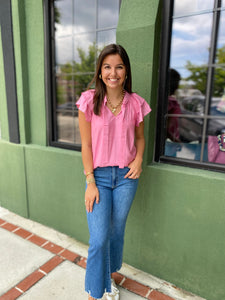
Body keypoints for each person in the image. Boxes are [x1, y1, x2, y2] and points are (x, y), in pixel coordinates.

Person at [76, 44, 151, 300]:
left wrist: (139, 159)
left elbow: (140, 138)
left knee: (116, 230)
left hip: (126, 178)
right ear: (99, 72)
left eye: (119, 66)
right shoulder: (88, 101)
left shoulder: (136, 103)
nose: (113, 72)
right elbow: (85, 145)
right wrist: (90, 182)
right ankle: (95, 294)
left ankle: (107, 278)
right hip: (97, 177)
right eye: (107, 66)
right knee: (98, 238)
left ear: (126, 72)